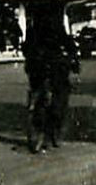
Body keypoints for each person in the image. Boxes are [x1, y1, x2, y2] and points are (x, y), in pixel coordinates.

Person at [23, 15, 80, 153]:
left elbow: (25, 48)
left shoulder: (32, 30)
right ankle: (52, 130)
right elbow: (69, 46)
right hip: (52, 69)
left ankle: (38, 119)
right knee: (60, 98)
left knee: (38, 91)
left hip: (37, 69)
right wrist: (74, 61)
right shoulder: (57, 29)